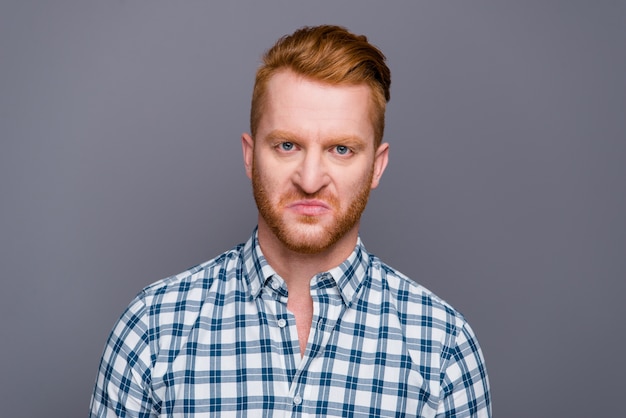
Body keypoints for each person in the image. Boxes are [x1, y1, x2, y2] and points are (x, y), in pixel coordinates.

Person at [89, 25, 491, 417]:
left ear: (377, 167)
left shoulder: (442, 347)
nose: (310, 179)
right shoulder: (153, 328)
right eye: (287, 145)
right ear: (250, 156)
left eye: (341, 149)